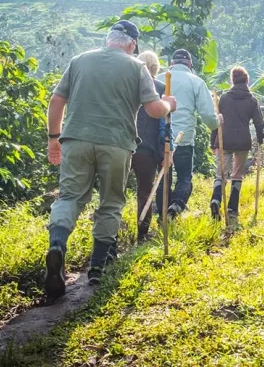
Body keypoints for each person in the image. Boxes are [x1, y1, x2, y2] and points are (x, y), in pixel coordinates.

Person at [44, 21, 176, 300]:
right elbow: (154, 110)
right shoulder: (136, 67)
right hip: (116, 145)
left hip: (76, 140)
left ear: (109, 39)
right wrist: (169, 104)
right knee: (110, 202)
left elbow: (56, 102)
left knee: (69, 197)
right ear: (132, 45)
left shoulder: (80, 61)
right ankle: (97, 269)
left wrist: (53, 138)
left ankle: (57, 245)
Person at [155, 49, 220, 218]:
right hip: (184, 137)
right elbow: (208, 115)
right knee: (184, 176)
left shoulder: (159, 79)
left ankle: (162, 211)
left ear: (172, 63)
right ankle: (176, 204)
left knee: (163, 174)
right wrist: (217, 122)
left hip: (161, 137)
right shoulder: (196, 82)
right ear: (189, 63)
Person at [209, 66, 264, 225]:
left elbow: (216, 121)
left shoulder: (225, 98)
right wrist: (260, 139)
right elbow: (259, 123)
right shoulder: (252, 100)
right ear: (247, 80)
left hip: (224, 140)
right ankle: (232, 209)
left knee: (221, 174)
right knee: (237, 175)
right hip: (242, 142)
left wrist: (213, 141)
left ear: (232, 80)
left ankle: (216, 200)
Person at [132, 51, 166, 244]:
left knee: (115, 193)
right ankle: (142, 235)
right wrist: (164, 152)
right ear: (155, 67)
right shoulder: (160, 88)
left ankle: (109, 240)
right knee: (145, 192)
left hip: (125, 146)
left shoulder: (129, 84)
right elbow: (163, 124)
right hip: (148, 149)